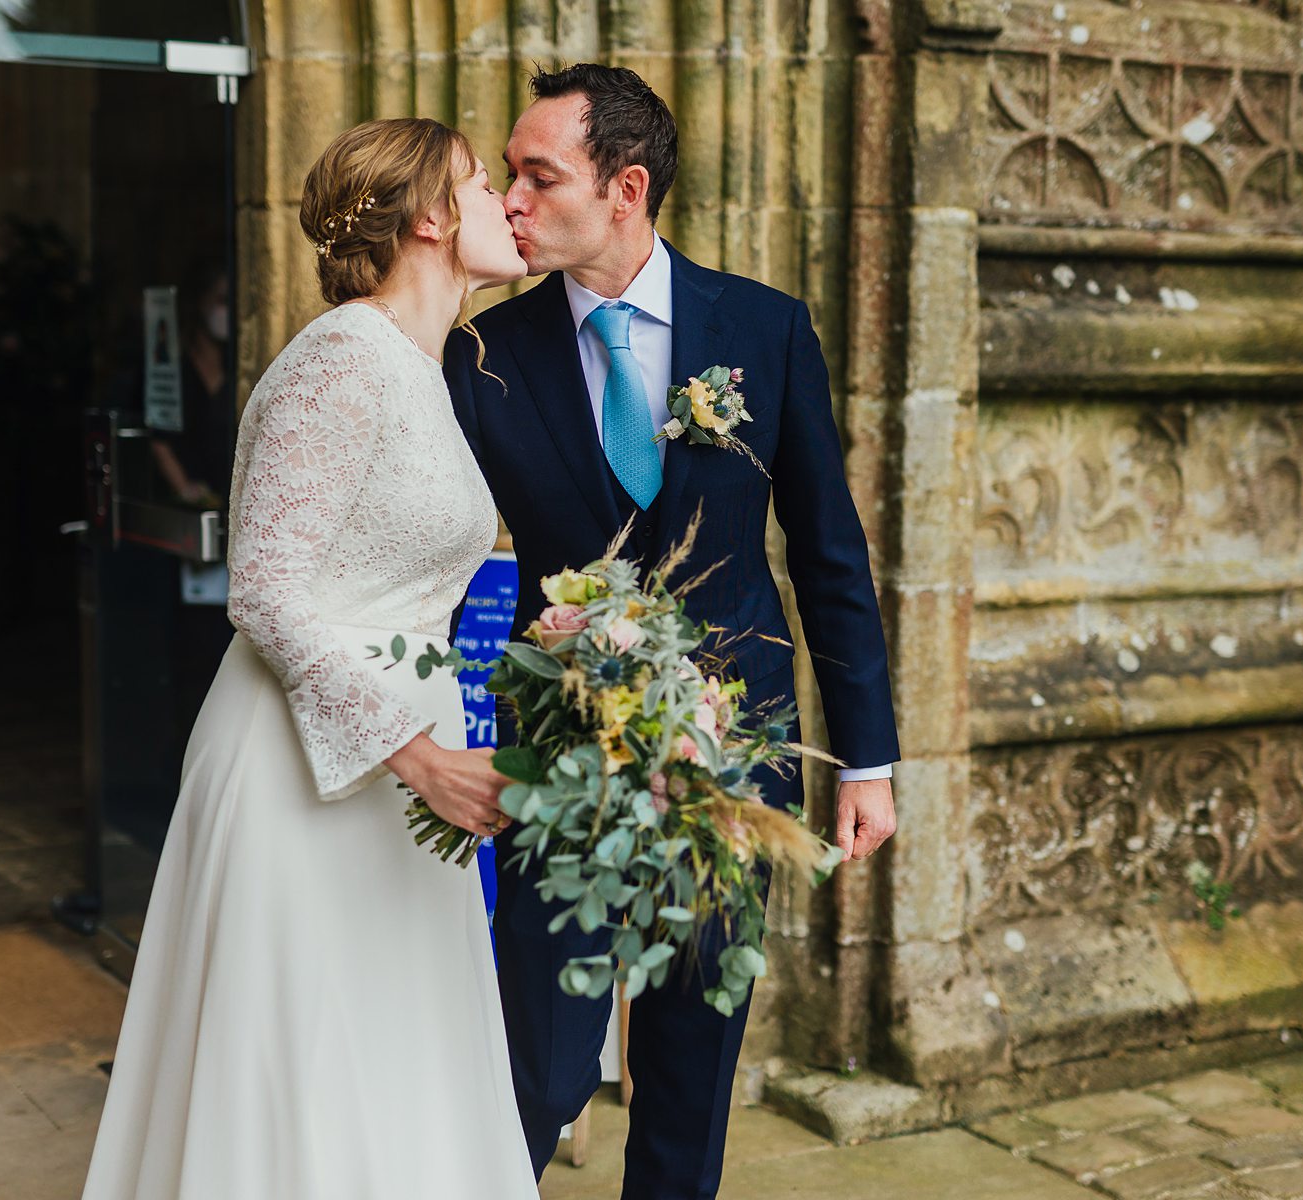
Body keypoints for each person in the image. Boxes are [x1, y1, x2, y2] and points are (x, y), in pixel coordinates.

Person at [443, 65, 901, 1199]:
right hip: (557, 757)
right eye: (508, 172)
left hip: (732, 753)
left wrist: (869, 757)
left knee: (691, 1076)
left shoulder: (766, 329)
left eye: (538, 174)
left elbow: (830, 553)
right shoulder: (484, 357)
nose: (509, 197)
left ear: (626, 188)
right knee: (537, 1067)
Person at [79, 118, 536, 1199]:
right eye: (482, 183)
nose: (505, 202)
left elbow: (404, 570)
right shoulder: (338, 360)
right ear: (429, 218)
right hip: (303, 767)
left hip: (409, 770)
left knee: (397, 1050)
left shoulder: (427, 366)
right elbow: (267, 591)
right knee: (303, 1065)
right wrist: (419, 756)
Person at [149, 264, 234, 509]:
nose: (226, 311)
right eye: (221, 300)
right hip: (184, 509)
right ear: (200, 301)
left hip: (227, 502)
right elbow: (159, 437)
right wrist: (185, 490)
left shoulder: (238, 366)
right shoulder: (174, 366)